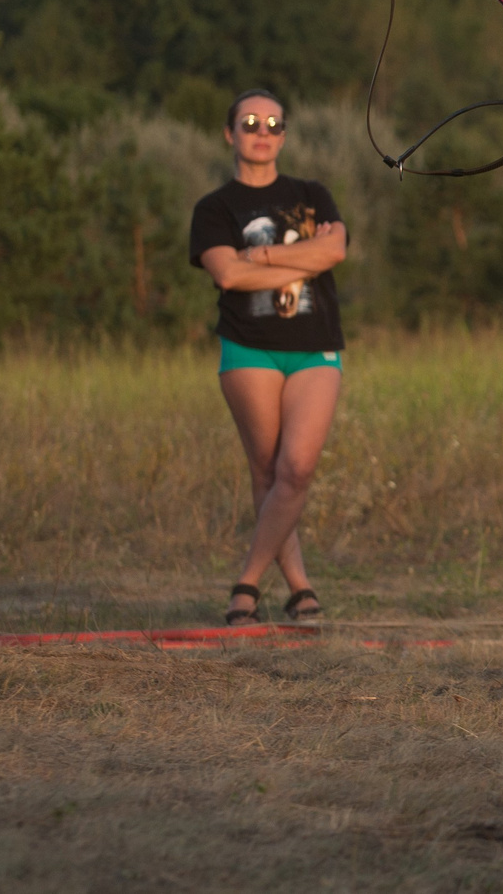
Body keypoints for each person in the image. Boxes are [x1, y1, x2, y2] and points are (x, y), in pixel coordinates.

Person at [189, 90, 351, 624]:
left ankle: (247, 583)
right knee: (266, 470)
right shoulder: (214, 208)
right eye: (251, 121)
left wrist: (262, 255)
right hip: (249, 348)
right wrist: (303, 263)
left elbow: (335, 251)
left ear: (284, 135)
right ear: (229, 132)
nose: (263, 130)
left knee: (296, 469)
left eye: (275, 123)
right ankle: (301, 588)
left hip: (314, 348)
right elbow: (228, 275)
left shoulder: (312, 194)